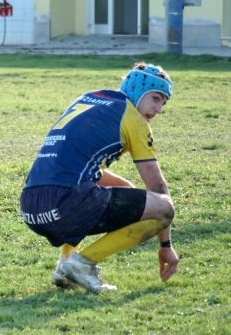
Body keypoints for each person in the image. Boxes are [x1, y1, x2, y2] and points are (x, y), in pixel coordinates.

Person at [19, 62, 179, 293]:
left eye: (163, 103)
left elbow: (78, 166)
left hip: (32, 208)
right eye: (155, 98)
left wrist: (126, 188)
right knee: (164, 208)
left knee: (124, 190)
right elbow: (157, 186)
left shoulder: (90, 97)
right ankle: (82, 263)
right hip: (65, 204)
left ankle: (65, 263)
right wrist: (166, 245)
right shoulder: (133, 118)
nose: (159, 109)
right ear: (136, 90)